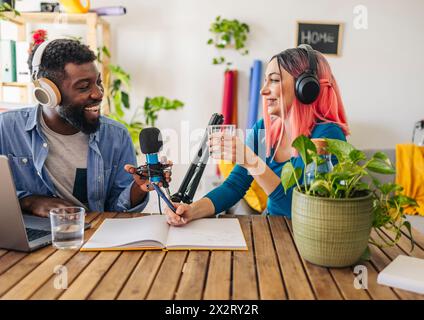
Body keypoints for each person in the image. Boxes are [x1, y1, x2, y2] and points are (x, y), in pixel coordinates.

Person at [165, 45, 349, 225]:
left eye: (275, 80)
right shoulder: (264, 130)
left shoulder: (327, 136)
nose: (263, 90)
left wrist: (251, 161)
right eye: (265, 80)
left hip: (307, 238)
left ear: (306, 87)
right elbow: (234, 186)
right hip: (273, 231)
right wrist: (192, 210)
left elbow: (303, 211)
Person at [0, 39, 169, 217]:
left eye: (98, 82)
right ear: (47, 93)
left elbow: (116, 211)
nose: (98, 93)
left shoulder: (116, 136)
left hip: (92, 235)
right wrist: (28, 201)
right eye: (83, 87)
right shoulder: (6, 128)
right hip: (29, 238)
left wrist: (138, 188)